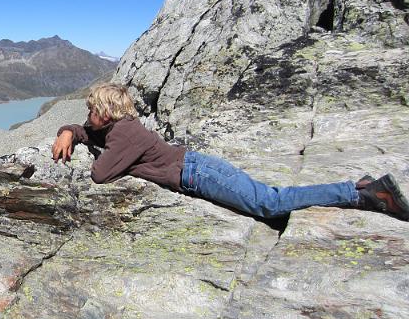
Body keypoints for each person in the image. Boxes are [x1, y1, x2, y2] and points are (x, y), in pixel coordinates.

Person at [52, 83, 409, 220]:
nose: (88, 115)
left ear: (107, 112)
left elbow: (101, 174)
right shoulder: (119, 128)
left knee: (269, 204)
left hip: (198, 174)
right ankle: (359, 189)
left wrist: (84, 136)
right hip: (196, 168)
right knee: (268, 200)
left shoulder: (124, 133)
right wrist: (69, 131)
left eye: (91, 110)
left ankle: (361, 193)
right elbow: (92, 135)